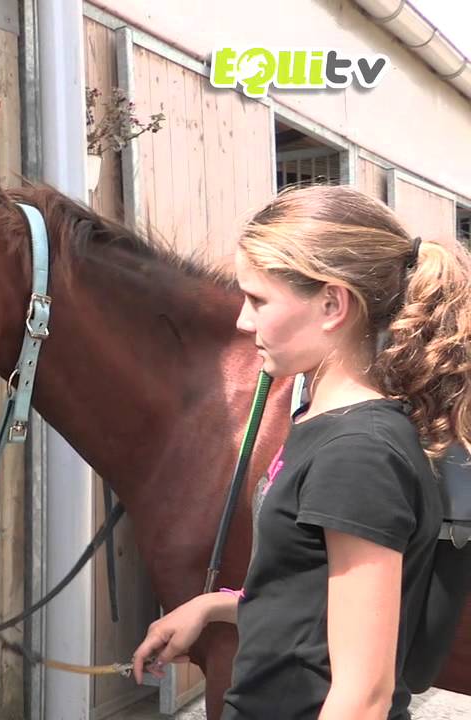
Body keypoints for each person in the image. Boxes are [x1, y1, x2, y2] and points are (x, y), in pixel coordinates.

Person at [132, 184, 471, 720]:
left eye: (259, 300)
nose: (244, 322)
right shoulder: (320, 423)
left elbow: (363, 696)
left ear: (333, 304)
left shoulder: (358, 455)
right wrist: (213, 606)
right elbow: (310, 602)